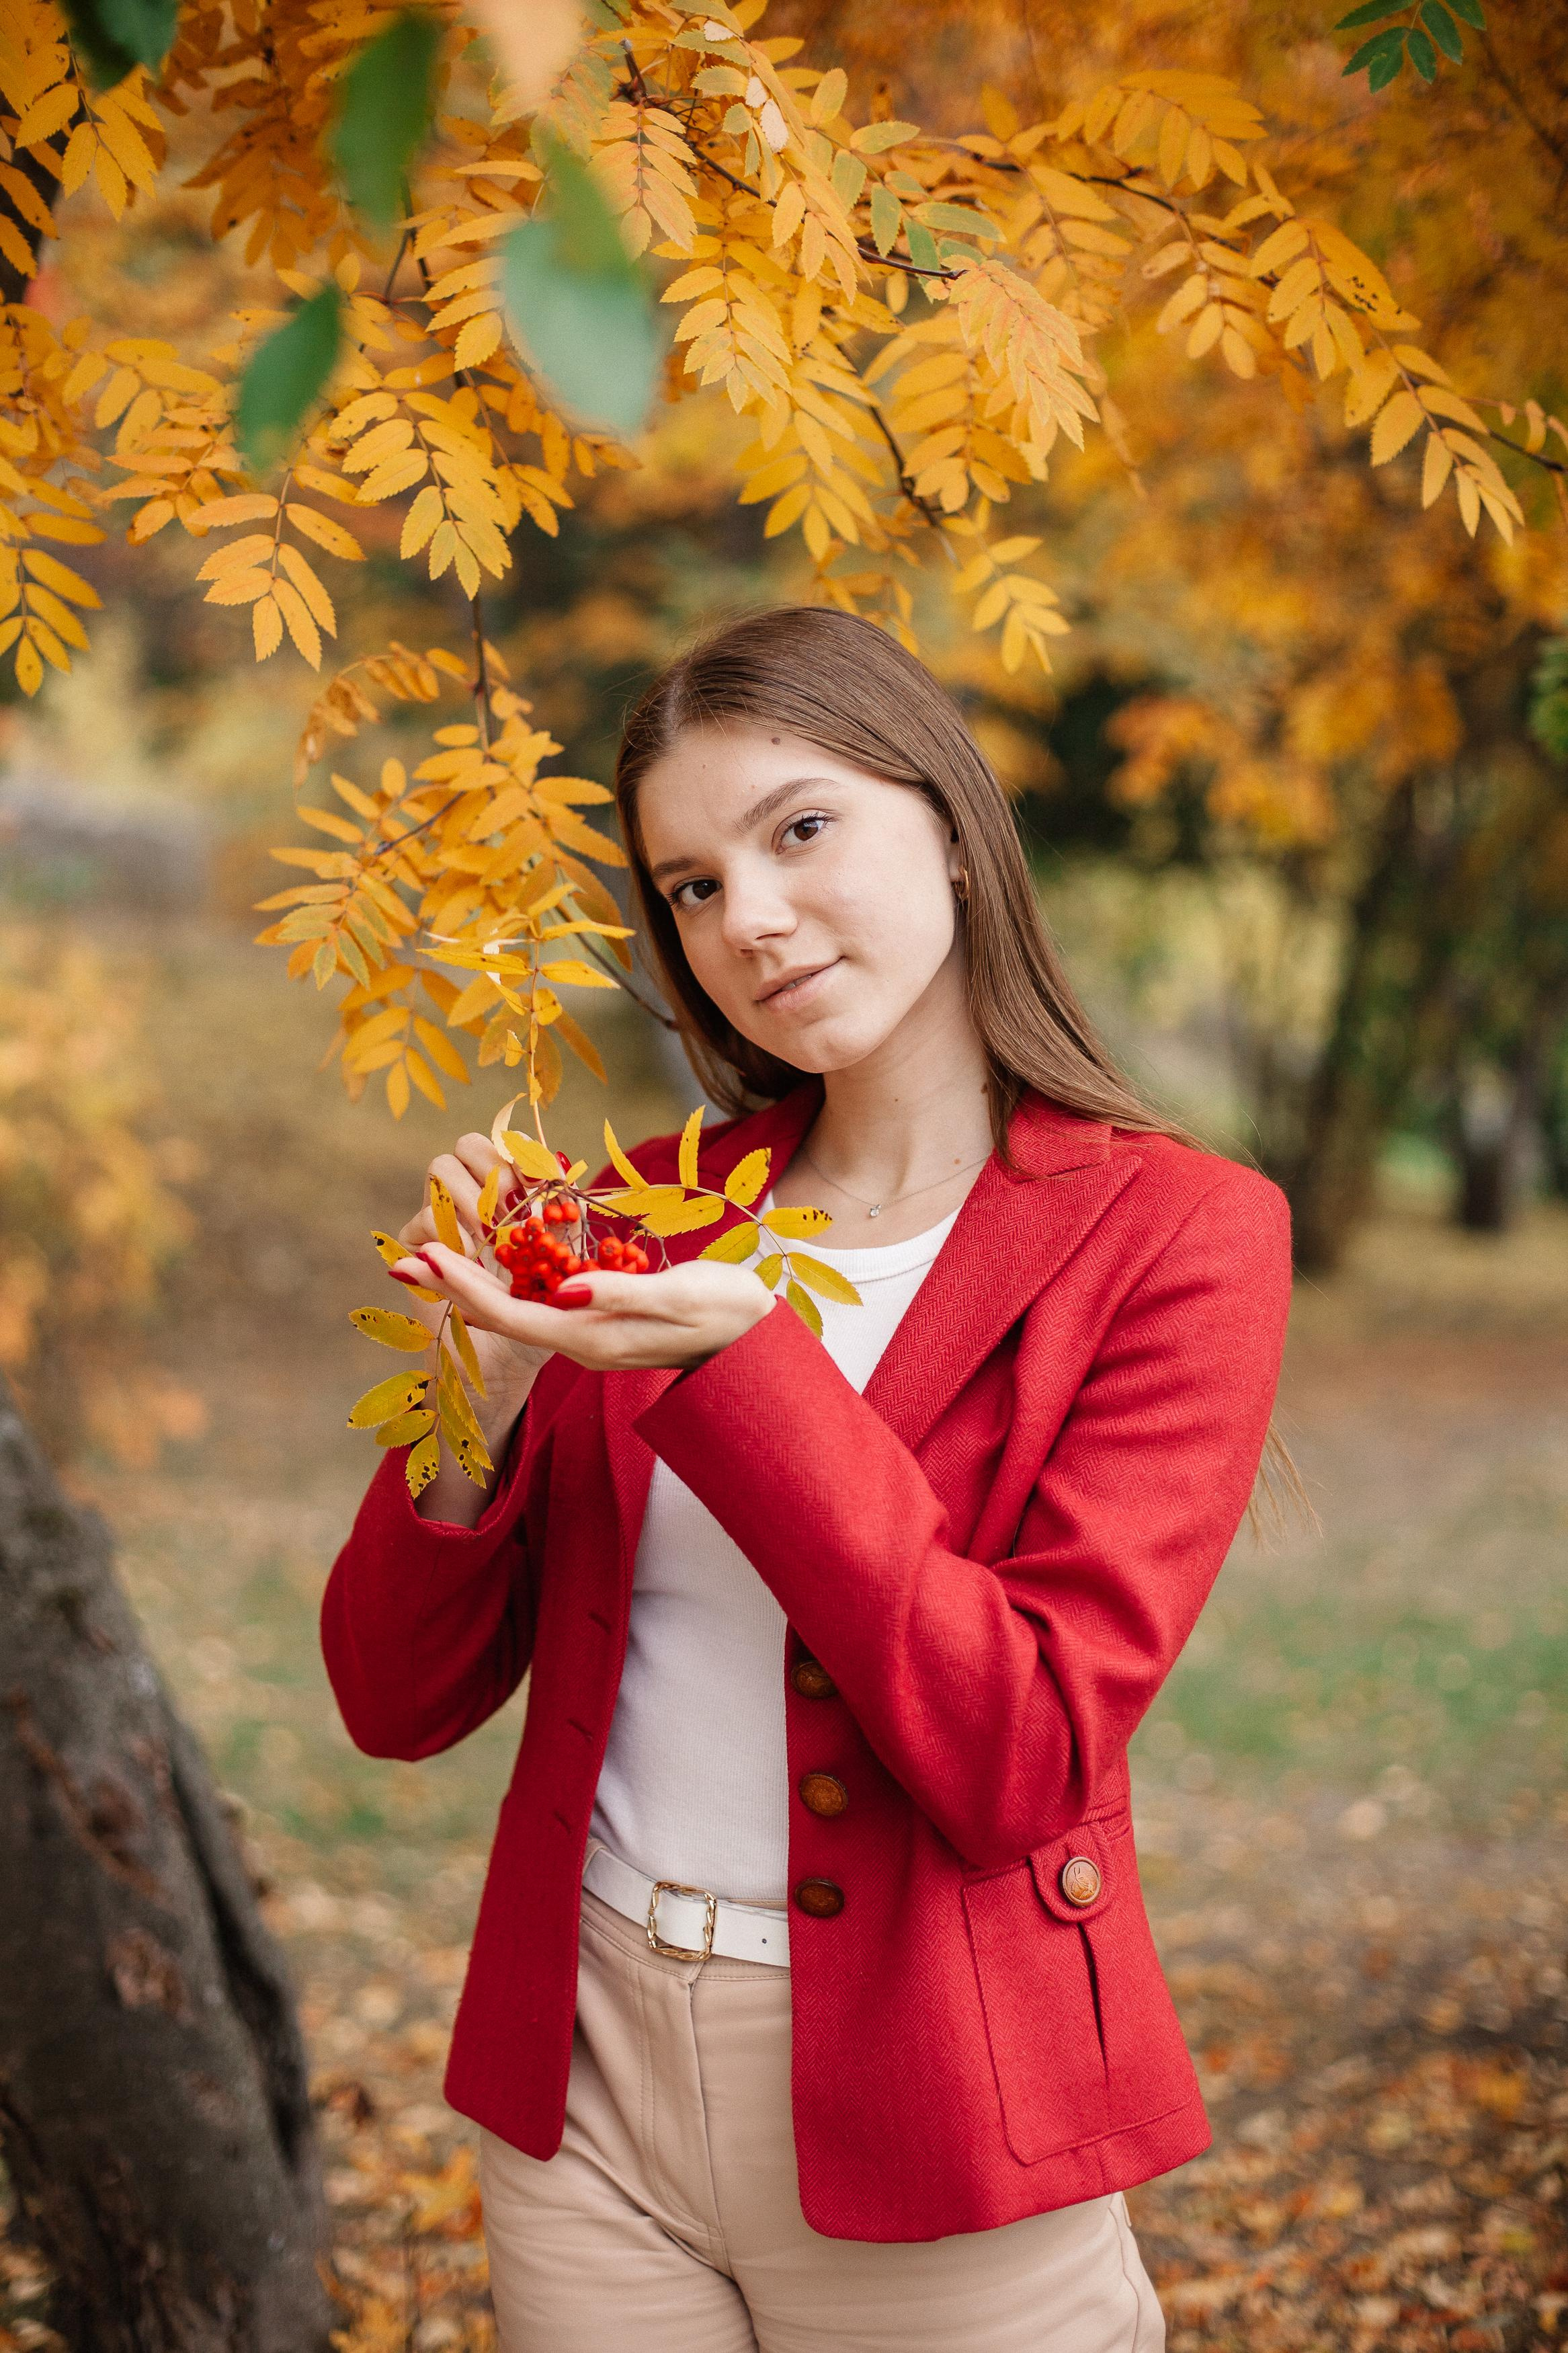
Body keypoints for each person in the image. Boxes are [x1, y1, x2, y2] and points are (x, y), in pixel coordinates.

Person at [321, 605, 1294, 2352]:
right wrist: (472, 1392)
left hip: (936, 2096)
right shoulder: (648, 1207)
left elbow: (1021, 1750)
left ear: (951, 822)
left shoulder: (1179, 1235)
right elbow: (392, 1701)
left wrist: (738, 1364)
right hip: (589, 2089)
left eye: (800, 829)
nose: (747, 918)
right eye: (689, 884)